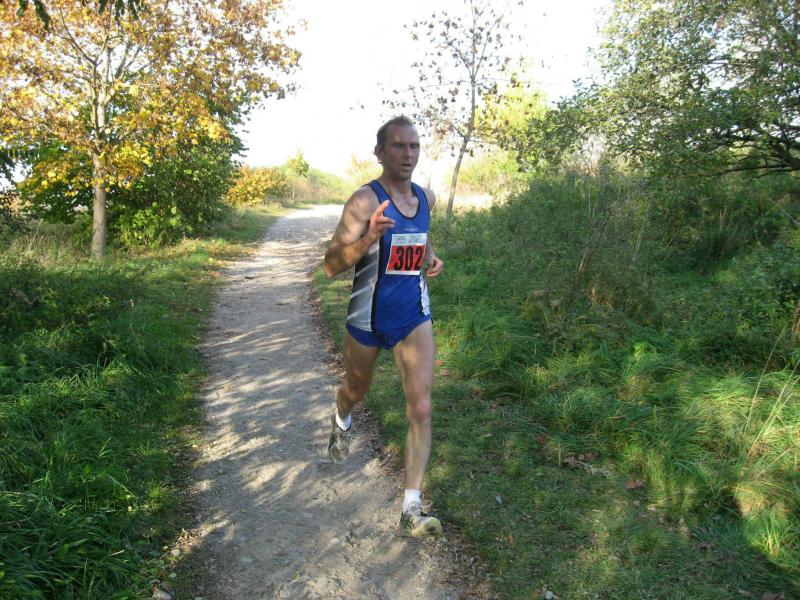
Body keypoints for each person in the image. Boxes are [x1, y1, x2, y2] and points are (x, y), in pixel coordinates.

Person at [322, 116, 445, 538]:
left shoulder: (426, 197)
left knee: (421, 407)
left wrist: (431, 257)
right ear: (380, 152)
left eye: (414, 146)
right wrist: (368, 238)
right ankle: (341, 417)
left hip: (412, 315)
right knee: (356, 389)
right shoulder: (363, 201)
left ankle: (412, 509)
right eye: (398, 146)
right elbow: (330, 266)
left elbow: (420, 237)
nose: (408, 154)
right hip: (367, 318)